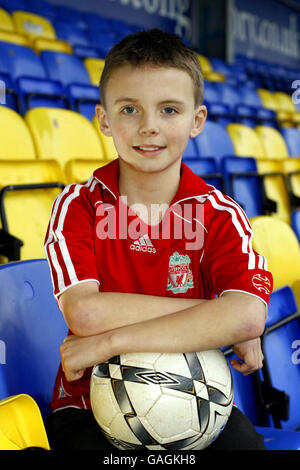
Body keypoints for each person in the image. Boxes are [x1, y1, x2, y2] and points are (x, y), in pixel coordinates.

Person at [44, 29, 273, 451]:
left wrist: (111, 341)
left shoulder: (221, 216)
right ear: (104, 120)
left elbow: (245, 317)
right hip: (90, 405)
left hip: (198, 401)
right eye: (130, 109)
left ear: (196, 121)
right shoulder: (78, 205)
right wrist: (217, 316)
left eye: (169, 109)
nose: (149, 127)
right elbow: (86, 316)